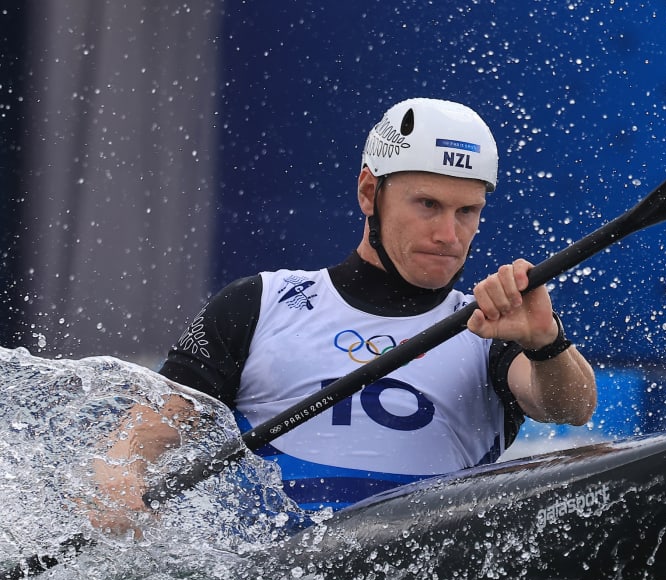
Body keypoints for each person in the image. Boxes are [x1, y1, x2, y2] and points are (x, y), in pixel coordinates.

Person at [90, 98, 598, 535]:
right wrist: (119, 488)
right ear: (368, 193)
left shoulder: (487, 325)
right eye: (428, 204)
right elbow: (140, 439)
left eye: (467, 211)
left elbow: (571, 409)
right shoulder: (258, 303)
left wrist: (547, 343)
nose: (449, 234)